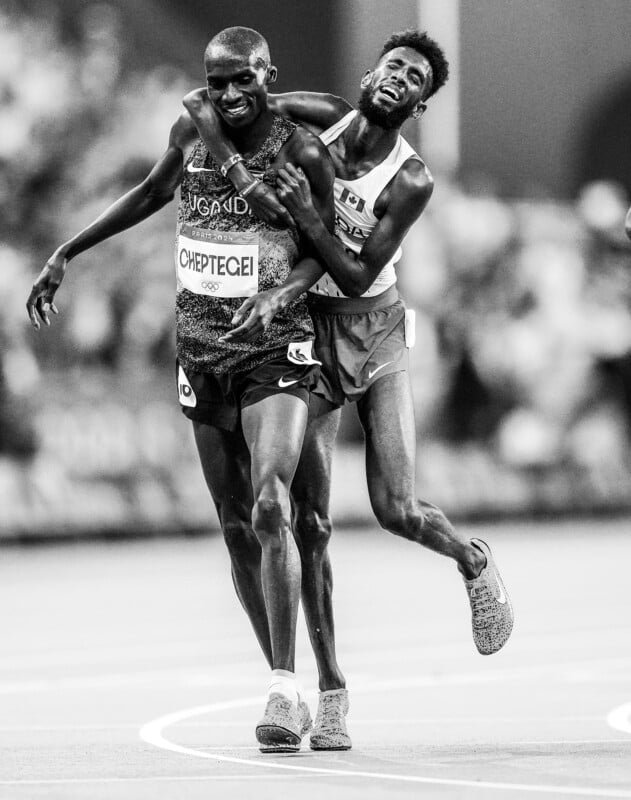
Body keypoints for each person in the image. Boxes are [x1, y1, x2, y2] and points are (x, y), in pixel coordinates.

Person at [182, 29, 515, 751]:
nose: (399, 77)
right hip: (310, 328)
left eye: (414, 76)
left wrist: (305, 216)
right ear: (369, 74)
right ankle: (330, 691)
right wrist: (238, 173)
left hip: (378, 326)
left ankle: (471, 559)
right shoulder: (320, 114)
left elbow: (360, 274)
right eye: (393, 64)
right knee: (311, 523)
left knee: (394, 508)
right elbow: (211, 102)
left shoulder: (411, 179)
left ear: (421, 101)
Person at [26, 26, 337, 754]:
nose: (229, 94)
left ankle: (287, 685)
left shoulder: (301, 149)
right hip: (201, 354)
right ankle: (283, 682)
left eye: (243, 80)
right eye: (216, 81)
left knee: (270, 503)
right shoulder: (185, 129)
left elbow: (330, 253)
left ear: (269, 77)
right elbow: (150, 191)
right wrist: (66, 250)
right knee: (233, 525)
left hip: (277, 351)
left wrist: (285, 291)